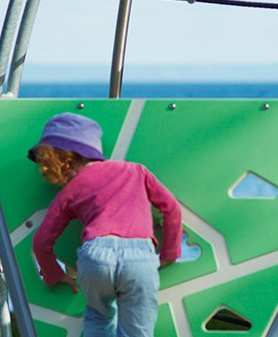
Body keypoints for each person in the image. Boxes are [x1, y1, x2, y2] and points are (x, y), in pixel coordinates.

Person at [29, 112, 182, 337]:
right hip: (139, 257)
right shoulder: (136, 171)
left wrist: (53, 274)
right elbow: (171, 209)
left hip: (96, 257)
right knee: (138, 329)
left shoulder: (71, 190)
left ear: (62, 161)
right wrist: (170, 253)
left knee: (98, 318)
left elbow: (41, 242)